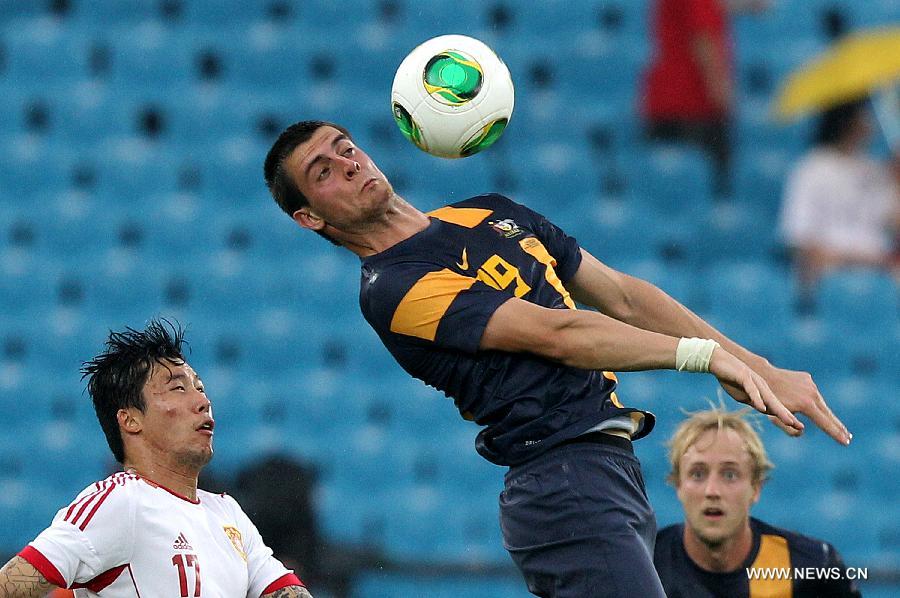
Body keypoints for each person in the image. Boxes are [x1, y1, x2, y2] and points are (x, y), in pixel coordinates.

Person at [263, 120, 851, 597]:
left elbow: (621, 295)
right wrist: (699, 357)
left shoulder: (487, 210)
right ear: (310, 217)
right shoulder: (391, 287)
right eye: (324, 171)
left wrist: (759, 367)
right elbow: (558, 334)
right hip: (559, 485)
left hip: (607, 472)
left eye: (346, 148)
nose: (349, 164)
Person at [0, 319, 314, 598]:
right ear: (130, 420)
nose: (203, 401)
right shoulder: (119, 501)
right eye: (178, 388)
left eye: (200, 388)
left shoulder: (228, 514)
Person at [654, 407, 861, 597]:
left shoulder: (815, 569)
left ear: (756, 487)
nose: (712, 491)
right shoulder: (644, 562)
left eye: (730, 475)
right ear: (678, 485)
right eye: (698, 474)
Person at [640, 0, 770, 198]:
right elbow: (703, 37)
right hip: (692, 107)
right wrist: (722, 92)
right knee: (700, 189)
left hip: (668, 103)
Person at [779, 98, 900, 301]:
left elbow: (894, 225)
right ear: (848, 120)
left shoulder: (875, 170)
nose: (871, 122)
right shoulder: (811, 168)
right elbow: (799, 239)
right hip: (830, 273)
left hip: (881, 274)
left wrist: (896, 180)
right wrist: (852, 258)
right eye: (865, 114)